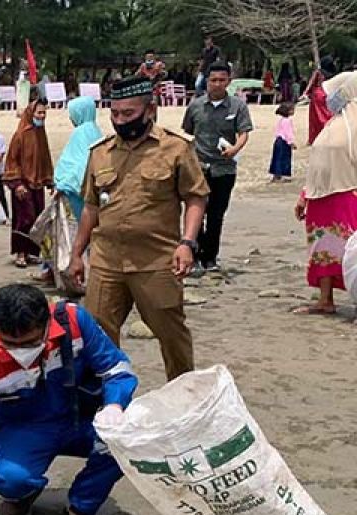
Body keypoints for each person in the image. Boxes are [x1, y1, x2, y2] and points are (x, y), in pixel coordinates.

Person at [0, 285, 137, 515]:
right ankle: (22, 494)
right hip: (29, 430)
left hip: (83, 418)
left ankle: (82, 507)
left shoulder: (75, 323)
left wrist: (114, 405)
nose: (21, 351)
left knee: (128, 441)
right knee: (9, 477)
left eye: (29, 342)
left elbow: (117, 369)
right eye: (10, 344)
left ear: (47, 324)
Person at [70, 76, 209, 381]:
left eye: (128, 114)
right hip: (107, 261)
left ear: (150, 110)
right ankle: (108, 401)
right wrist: (77, 254)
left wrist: (187, 243)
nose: (120, 121)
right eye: (114, 114)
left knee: (172, 335)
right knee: (96, 336)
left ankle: (183, 393)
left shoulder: (175, 148)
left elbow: (196, 196)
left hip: (157, 261)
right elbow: (91, 207)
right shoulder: (100, 152)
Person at [292, 71, 357, 315]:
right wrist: (304, 195)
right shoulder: (333, 124)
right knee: (324, 249)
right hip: (320, 197)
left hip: (347, 194)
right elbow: (318, 166)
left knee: (351, 251)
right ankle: (325, 299)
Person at [182, 62, 252, 274]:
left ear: (228, 82)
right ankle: (193, 256)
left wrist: (235, 149)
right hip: (199, 167)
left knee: (216, 215)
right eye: (213, 80)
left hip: (225, 169)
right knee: (195, 212)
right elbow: (189, 131)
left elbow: (244, 133)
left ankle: (210, 258)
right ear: (206, 81)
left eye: (222, 80)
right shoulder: (195, 106)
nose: (217, 84)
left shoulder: (237, 106)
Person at [4, 98, 53, 268]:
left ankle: (32, 252)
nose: (42, 116)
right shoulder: (20, 135)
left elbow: (45, 158)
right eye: (39, 113)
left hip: (37, 183)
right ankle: (20, 253)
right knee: (24, 219)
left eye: (44, 113)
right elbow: (12, 160)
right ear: (31, 113)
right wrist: (17, 183)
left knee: (37, 218)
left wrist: (49, 180)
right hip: (23, 185)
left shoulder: (41, 133)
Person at [54, 96, 102, 220]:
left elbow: (80, 166)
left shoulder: (80, 133)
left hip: (78, 194)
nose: (71, 118)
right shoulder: (96, 131)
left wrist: (63, 184)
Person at [304, 56, 339, 145]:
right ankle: (330, 136)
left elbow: (311, 83)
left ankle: (315, 138)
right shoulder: (334, 73)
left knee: (316, 119)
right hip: (329, 94)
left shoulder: (318, 72)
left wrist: (306, 93)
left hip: (318, 96)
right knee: (329, 116)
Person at [270, 102, 296, 183]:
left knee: (277, 158)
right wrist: (291, 142)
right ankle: (281, 175)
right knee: (283, 158)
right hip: (284, 142)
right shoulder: (287, 121)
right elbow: (288, 133)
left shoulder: (281, 120)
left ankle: (276, 174)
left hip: (278, 140)